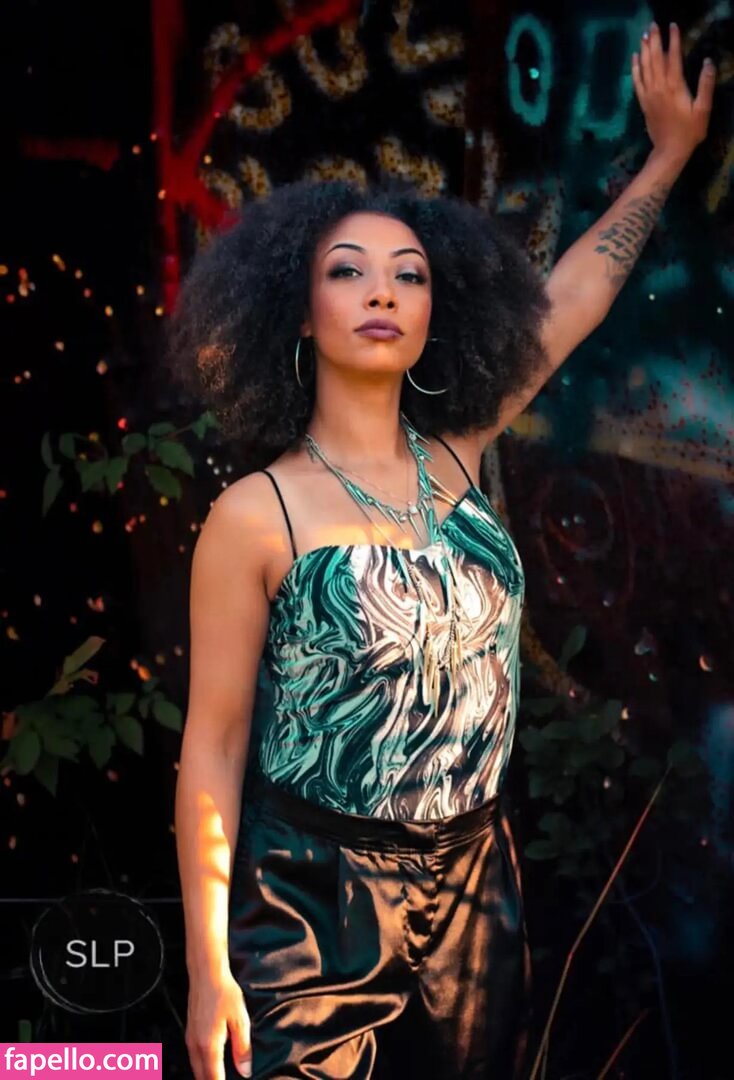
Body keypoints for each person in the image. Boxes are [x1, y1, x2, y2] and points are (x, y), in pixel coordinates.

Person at [171, 24, 714, 1079]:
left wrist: (669, 155)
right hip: (315, 899)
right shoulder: (255, 514)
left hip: (476, 889)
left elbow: (577, 295)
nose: (382, 292)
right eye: (348, 272)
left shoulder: (458, 456)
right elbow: (215, 743)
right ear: (297, 312)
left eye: (408, 276)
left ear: (434, 311)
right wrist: (207, 965)